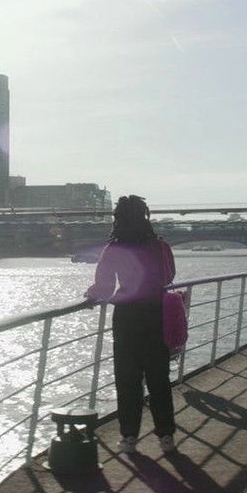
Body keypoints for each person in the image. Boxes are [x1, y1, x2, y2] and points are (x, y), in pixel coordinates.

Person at [84, 195, 177, 455]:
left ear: (118, 219)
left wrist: (91, 295)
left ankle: (129, 437)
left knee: (127, 378)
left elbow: (104, 287)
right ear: (144, 217)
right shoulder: (159, 246)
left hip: (127, 317)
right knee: (159, 377)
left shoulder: (114, 248)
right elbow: (169, 276)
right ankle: (166, 436)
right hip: (156, 313)